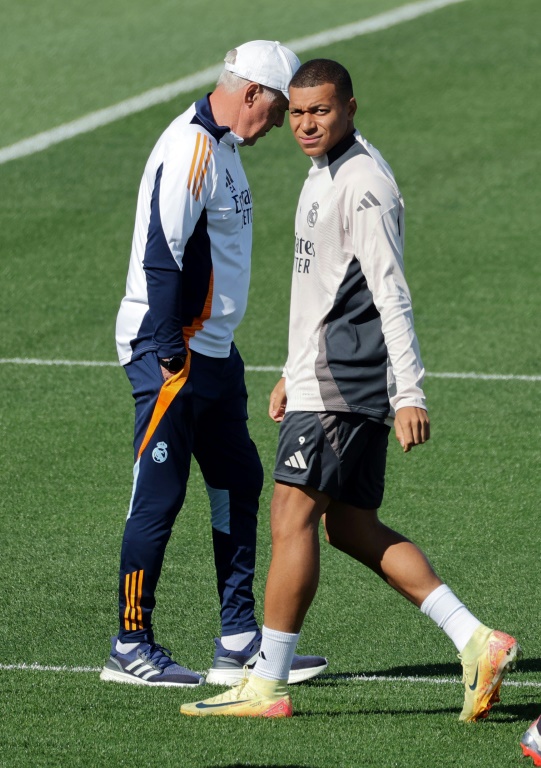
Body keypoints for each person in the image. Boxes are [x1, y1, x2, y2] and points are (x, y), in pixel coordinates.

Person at [181, 58, 520, 717]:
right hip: (322, 375)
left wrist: (409, 393)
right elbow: (325, 287)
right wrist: (290, 368)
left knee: (290, 515)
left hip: (343, 381)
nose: (306, 124)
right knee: (349, 526)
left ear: (350, 109)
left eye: (321, 112)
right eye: (299, 112)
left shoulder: (362, 183)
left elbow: (391, 294)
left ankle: (266, 683)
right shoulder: (323, 172)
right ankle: (476, 639)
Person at [100, 41, 328, 688]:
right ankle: (129, 643)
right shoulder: (192, 148)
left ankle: (236, 640)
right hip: (170, 350)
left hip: (214, 352)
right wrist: (172, 352)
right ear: (252, 93)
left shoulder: (224, 146)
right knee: (159, 496)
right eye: (279, 110)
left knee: (239, 478)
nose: (282, 125)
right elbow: (161, 254)